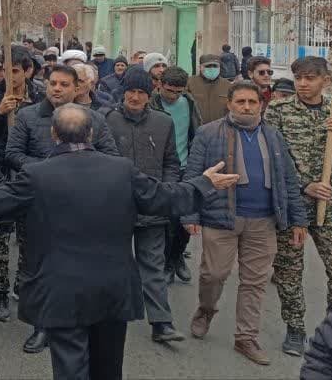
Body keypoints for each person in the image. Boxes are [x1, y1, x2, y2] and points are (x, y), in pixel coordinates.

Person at [0, 103, 237, 380]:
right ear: (91, 133)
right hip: (112, 290)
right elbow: (165, 198)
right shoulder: (121, 170)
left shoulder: (36, 176)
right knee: (108, 370)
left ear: (53, 135)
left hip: (60, 291)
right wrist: (203, 184)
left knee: (70, 370)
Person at [182, 80, 308, 366]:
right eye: (241, 102)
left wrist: (299, 219)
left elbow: (289, 180)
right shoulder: (208, 133)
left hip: (263, 221)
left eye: (252, 102)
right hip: (221, 219)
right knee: (214, 274)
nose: (247, 107)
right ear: (230, 104)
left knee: (255, 282)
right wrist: (189, 214)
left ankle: (246, 338)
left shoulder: (274, 136)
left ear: (261, 105)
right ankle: (206, 309)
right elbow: (192, 175)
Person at [4, 64, 120, 354]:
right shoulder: (29, 116)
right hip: (38, 205)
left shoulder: (93, 119)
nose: (56, 88)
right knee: (37, 268)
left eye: (64, 84)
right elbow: (12, 153)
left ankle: (80, 321)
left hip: (82, 207)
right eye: (52, 83)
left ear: (77, 88)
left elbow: (111, 156)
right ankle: (41, 327)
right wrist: (47, 170)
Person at [267, 56, 332, 357]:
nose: (302, 83)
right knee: (289, 269)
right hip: (292, 202)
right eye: (298, 77)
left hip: (331, 203)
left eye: (310, 78)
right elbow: (273, 158)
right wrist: (303, 185)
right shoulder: (279, 112)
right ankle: (295, 328)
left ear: (325, 80)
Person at [104, 67, 184, 343]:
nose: (135, 97)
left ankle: (162, 322)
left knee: (153, 266)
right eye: (131, 91)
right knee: (113, 265)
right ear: (123, 91)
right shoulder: (107, 120)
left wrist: (167, 189)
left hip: (152, 208)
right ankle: (108, 316)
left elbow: (172, 162)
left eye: (141, 92)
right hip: (115, 208)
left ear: (149, 95)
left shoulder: (163, 123)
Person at [0, 45, 43, 323]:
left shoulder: (40, 96)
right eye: (5, 70)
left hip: (30, 175)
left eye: (15, 71)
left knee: (30, 239)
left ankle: (22, 285)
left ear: (27, 71)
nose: (9, 76)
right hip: (0, 176)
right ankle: (0, 294)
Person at [151, 66, 202, 286]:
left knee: (185, 219)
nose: (173, 96)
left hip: (184, 167)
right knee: (166, 220)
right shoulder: (150, 104)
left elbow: (196, 133)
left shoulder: (188, 103)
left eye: (178, 92)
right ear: (159, 85)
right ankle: (166, 261)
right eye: (169, 91)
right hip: (159, 169)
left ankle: (176, 257)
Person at [188, 54, 230, 125]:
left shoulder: (227, 85)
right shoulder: (190, 83)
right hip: (197, 129)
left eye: (215, 66)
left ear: (219, 67)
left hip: (221, 129)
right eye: (208, 66)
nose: (212, 68)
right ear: (200, 67)